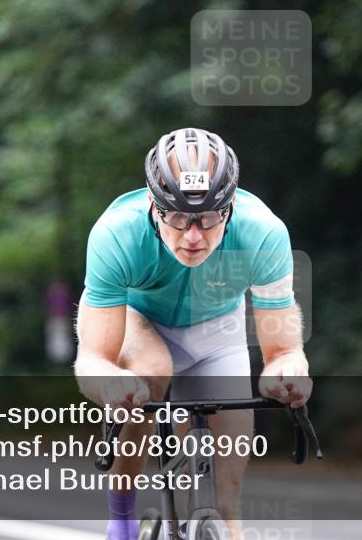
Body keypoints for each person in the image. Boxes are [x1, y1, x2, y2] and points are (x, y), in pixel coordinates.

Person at [74, 127, 313, 540]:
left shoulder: (263, 233)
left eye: (207, 217)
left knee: (225, 498)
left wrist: (289, 375)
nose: (193, 236)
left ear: (231, 205)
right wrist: (111, 382)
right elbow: (92, 357)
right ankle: (123, 518)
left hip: (218, 333)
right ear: (153, 203)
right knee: (151, 368)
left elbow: (284, 353)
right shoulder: (116, 233)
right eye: (179, 217)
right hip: (141, 321)